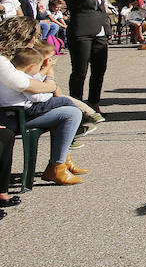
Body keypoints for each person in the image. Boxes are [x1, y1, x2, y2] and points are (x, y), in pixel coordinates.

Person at [0, 17, 86, 185]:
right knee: (71, 112)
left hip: (16, 109)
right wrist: (51, 81)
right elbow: (29, 87)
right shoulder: (3, 60)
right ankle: (57, 165)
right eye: (35, 37)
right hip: (12, 114)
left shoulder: (10, 56)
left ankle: (61, 161)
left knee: (68, 108)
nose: (35, 41)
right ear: (25, 36)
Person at [62, 0, 111, 114]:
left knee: (99, 70)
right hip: (81, 33)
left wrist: (108, 30)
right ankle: (77, 105)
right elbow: (75, 4)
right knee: (80, 71)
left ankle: (94, 102)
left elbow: (102, 9)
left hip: (99, 32)